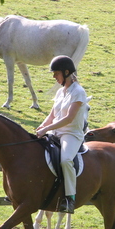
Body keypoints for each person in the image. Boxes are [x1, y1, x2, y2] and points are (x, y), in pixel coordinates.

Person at [35, 55, 89, 213]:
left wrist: (47, 129)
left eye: (56, 73)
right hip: (55, 131)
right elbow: (52, 115)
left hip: (71, 134)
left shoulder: (78, 92)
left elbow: (69, 118)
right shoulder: (60, 92)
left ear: (66, 72)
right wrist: (42, 125)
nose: (54, 77)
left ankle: (70, 198)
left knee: (65, 160)